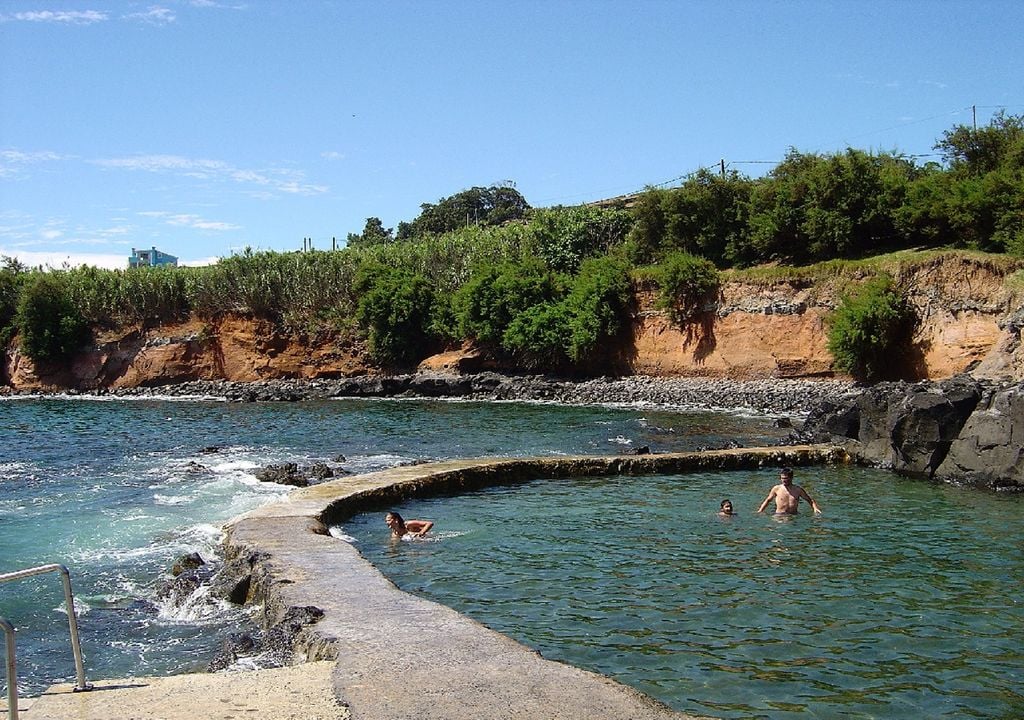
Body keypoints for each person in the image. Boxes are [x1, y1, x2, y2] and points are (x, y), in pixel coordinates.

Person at [756, 467, 822, 515]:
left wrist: (815, 508)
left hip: (794, 515)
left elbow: (810, 500)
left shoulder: (798, 490)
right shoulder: (777, 488)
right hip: (779, 515)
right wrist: (760, 510)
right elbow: (768, 500)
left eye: (786, 478)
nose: (783, 480)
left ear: (791, 478)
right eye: (782, 478)